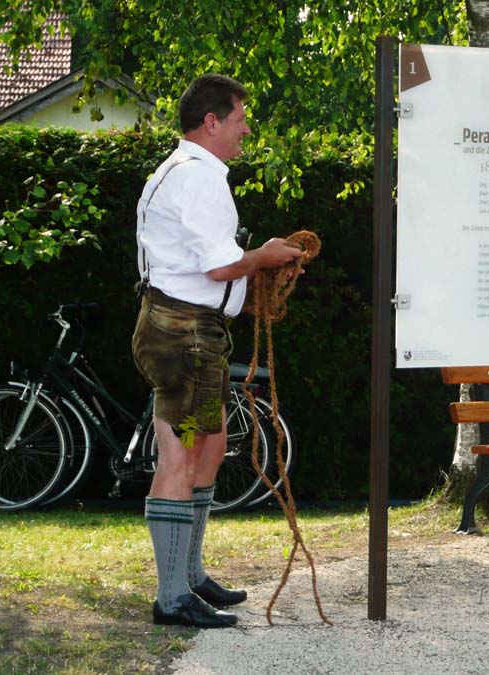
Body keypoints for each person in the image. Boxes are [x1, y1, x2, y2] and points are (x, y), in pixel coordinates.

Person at [132, 74, 304, 627]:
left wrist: (253, 273)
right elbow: (219, 267)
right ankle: (171, 597)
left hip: (191, 330)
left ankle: (189, 576)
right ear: (211, 122)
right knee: (181, 454)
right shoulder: (199, 177)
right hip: (185, 334)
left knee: (208, 445)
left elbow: (204, 267)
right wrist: (264, 257)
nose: (245, 130)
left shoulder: (183, 171)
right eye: (239, 119)